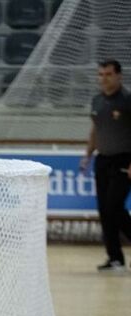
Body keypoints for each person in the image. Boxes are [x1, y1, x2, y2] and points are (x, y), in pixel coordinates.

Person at [81, 59, 131, 273]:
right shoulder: (96, 101)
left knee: (114, 206)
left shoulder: (127, 101)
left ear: (119, 76)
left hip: (124, 160)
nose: (104, 78)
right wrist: (88, 154)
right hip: (103, 159)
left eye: (108, 74)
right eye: (100, 74)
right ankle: (115, 259)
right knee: (104, 210)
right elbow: (95, 129)